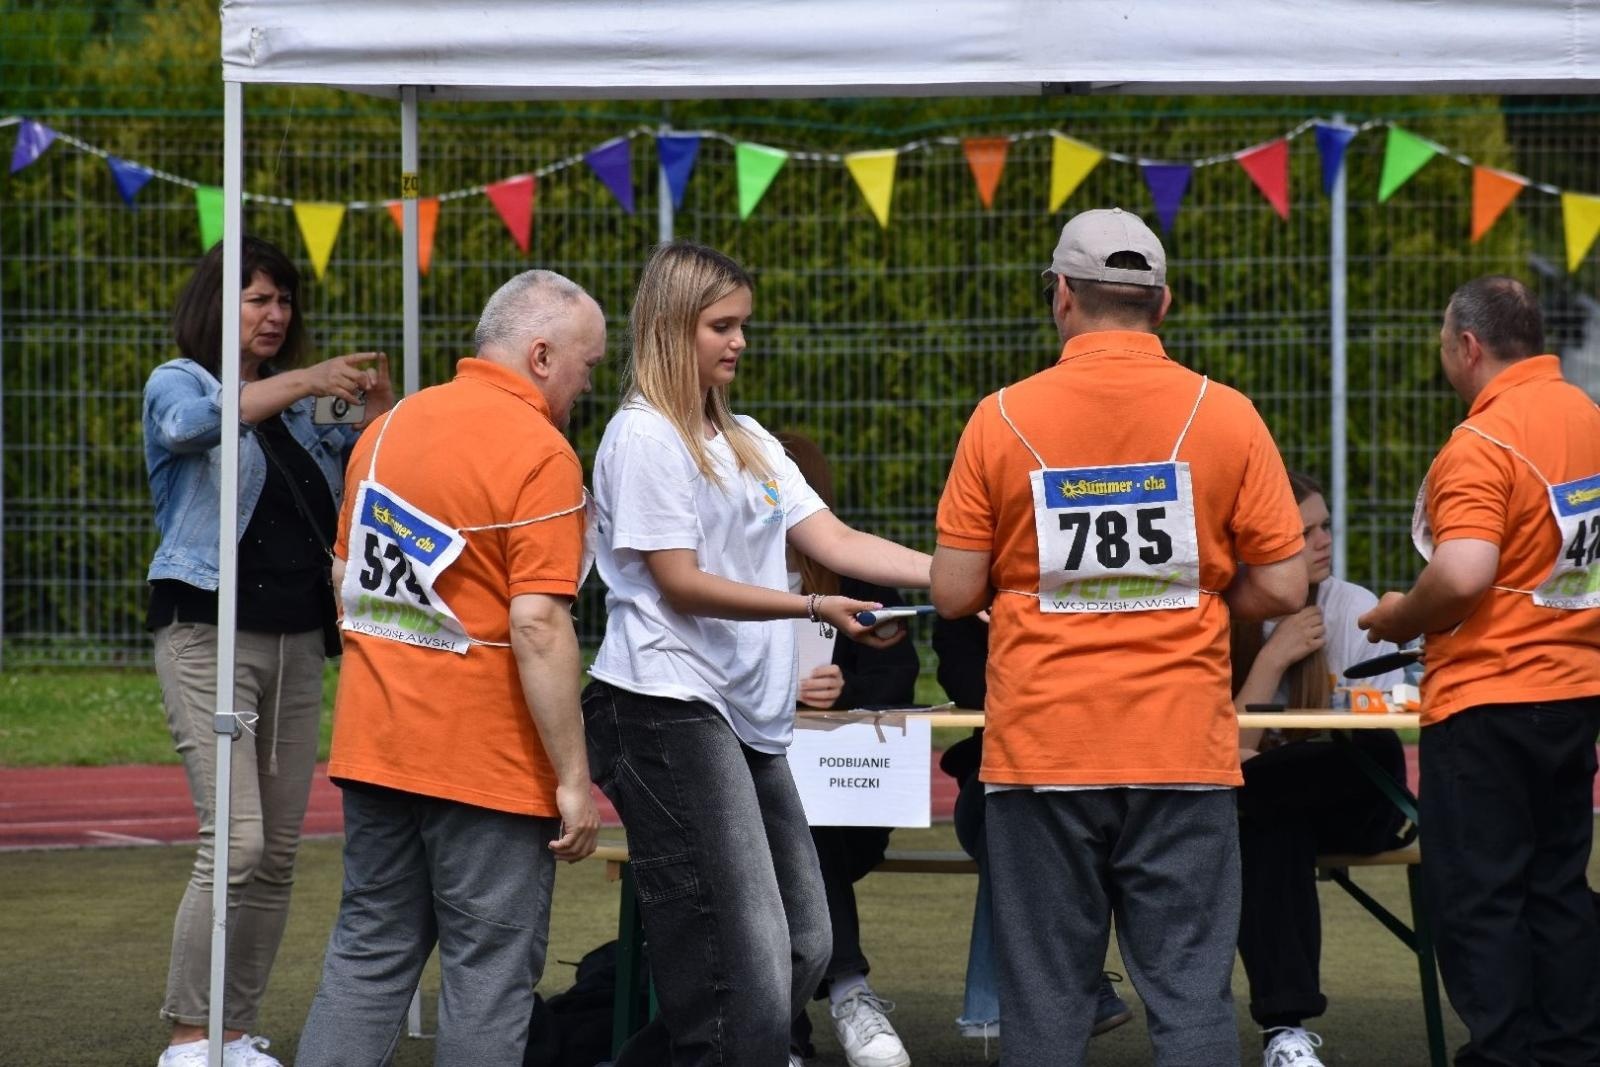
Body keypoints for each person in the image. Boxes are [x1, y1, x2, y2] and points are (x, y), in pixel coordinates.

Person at [931, 207, 1307, 1067]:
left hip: (1043, 747)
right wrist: (1199, 585)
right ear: (1162, 303)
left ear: (1061, 296)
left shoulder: (1000, 417)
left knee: (1046, 1001)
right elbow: (1286, 584)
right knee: (1190, 994)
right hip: (1181, 741)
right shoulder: (1230, 414)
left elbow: (954, 590)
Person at [581, 240, 933, 1067]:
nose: (739, 341)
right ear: (672, 328)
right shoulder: (642, 438)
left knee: (804, 944)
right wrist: (811, 601)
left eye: (743, 325)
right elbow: (681, 583)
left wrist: (956, 573)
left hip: (748, 717)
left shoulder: (748, 438)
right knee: (746, 967)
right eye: (721, 325)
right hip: (667, 707)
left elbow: (834, 537)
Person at [295, 270, 603, 1065]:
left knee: (367, 955)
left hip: (379, 743)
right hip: (486, 762)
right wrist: (573, 775)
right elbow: (538, 623)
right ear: (541, 354)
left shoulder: (388, 429)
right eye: (586, 364)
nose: (587, 381)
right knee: (488, 977)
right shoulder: (544, 452)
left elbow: (343, 579)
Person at [144, 236, 393, 1067]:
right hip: (206, 631)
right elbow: (192, 429)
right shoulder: (181, 382)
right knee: (237, 841)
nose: (276, 315)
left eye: (284, 301)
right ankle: (189, 1032)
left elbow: (364, 475)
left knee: (279, 851)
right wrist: (306, 381)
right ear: (219, 304)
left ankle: (236, 1030)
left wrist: (379, 413)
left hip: (296, 640)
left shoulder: (297, 409)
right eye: (259, 299)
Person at [1359, 275, 1600, 1067]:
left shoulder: (1484, 441)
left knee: (1478, 899)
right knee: (1558, 890)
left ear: (1468, 345)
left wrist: (1398, 615)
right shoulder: (1589, 420)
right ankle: (1571, 1049)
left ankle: (1502, 1055)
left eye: (1441, 341)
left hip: (1487, 699)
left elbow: (1462, 574)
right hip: (1574, 693)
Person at [1231, 471, 1413, 1067]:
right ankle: (1285, 1032)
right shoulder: (1225, 617)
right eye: (1303, 531)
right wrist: (1275, 656)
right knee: (1269, 825)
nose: (1323, 542)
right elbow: (1226, 750)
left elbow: (1377, 733)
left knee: (1266, 786)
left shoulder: (1355, 608)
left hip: (1356, 802)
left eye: (1326, 525)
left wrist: (1250, 764)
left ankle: (1284, 1031)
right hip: (1266, 811)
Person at [779, 430, 920, 1067]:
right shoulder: (714, 578)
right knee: (779, 821)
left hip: (851, 801)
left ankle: (816, 1009)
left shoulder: (860, 578)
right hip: (752, 796)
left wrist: (842, 691)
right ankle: (842, 991)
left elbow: (900, 679)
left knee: (799, 821)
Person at [931, 613, 1132, 1057]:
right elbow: (969, 690)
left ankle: (1035, 1010)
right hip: (1003, 779)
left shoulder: (1111, 590)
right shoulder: (967, 606)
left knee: (1020, 831)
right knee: (1009, 818)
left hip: (1116, 780)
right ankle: (1076, 986)